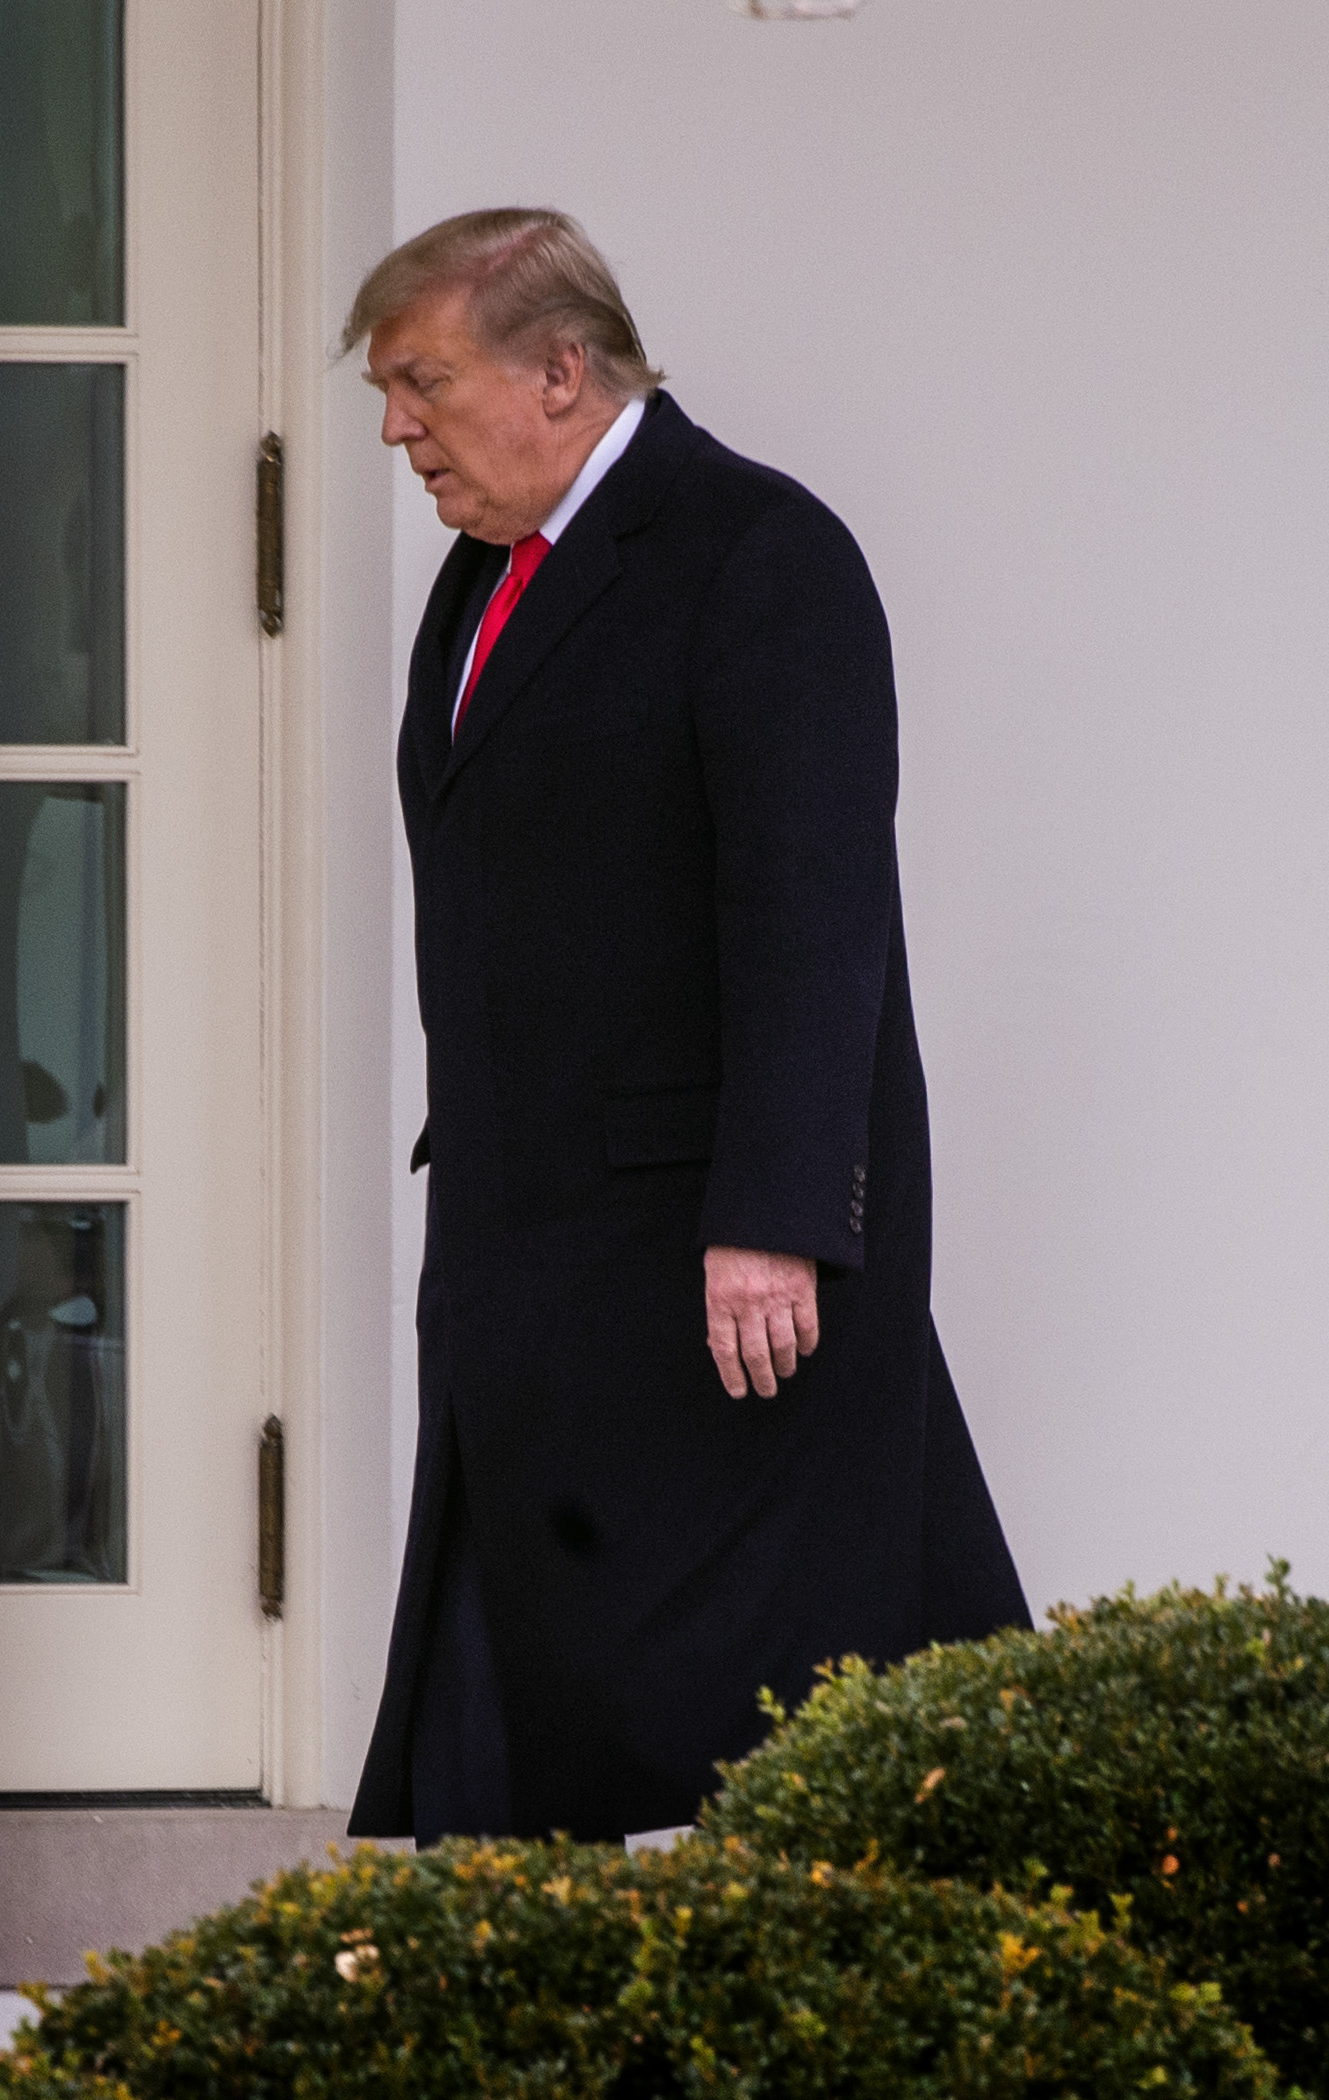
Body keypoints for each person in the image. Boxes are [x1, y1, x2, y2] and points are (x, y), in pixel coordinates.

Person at [344, 209, 1028, 1845]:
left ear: (559, 372)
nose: (393, 426)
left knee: (787, 1683)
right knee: (523, 1662)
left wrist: (777, 1225)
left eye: (422, 381)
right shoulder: (486, 577)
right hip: (531, 1244)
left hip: (707, 1263)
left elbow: (811, 916)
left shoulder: (757, 555)